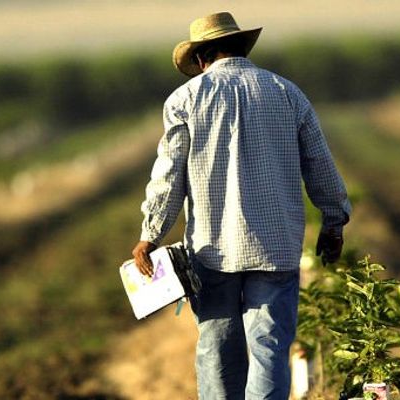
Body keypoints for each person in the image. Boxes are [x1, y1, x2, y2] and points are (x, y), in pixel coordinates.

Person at [132, 11, 351, 400]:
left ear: (201, 58)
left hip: (212, 249)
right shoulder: (287, 93)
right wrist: (334, 223)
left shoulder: (184, 100)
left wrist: (150, 235)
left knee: (217, 348)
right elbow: (319, 164)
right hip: (276, 246)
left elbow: (169, 177)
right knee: (269, 348)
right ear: (240, 48)